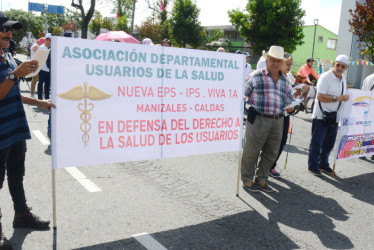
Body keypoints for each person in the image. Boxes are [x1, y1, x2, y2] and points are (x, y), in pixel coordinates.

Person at [0, 11, 55, 250]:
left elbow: (12, 92)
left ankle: (21, 215)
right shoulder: (11, 64)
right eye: (5, 30)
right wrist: (15, 74)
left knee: (16, 175)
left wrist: (39, 103)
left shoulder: (7, 56)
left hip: (15, 129)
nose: (9, 34)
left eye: (10, 30)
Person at [241, 45, 295, 193]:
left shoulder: (285, 80)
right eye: (272, 60)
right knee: (251, 151)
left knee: (271, 152)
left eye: (278, 61)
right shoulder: (256, 75)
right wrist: (246, 102)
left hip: (278, 120)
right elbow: (242, 93)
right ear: (267, 60)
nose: (275, 63)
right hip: (258, 118)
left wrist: (291, 106)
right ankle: (247, 179)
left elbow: (289, 99)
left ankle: (262, 179)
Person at [307, 55, 350, 176]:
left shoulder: (343, 78)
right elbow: (320, 96)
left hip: (335, 116)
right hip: (322, 115)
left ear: (346, 67)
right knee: (317, 142)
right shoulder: (326, 77)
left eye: (343, 66)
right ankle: (313, 166)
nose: (340, 68)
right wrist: (339, 98)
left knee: (329, 144)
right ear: (334, 63)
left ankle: (323, 164)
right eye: (338, 65)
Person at [269, 52, 296, 178]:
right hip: (272, 115)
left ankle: (271, 166)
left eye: (291, 64)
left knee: (282, 141)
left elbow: (289, 95)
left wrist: (296, 95)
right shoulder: (272, 76)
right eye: (287, 64)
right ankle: (263, 167)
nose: (289, 66)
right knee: (269, 142)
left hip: (285, 114)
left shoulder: (289, 77)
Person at [37, 33, 51, 100]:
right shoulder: (42, 47)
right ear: (46, 40)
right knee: (40, 84)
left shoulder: (51, 48)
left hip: (49, 70)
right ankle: (39, 98)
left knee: (47, 85)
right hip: (42, 69)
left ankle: (47, 98)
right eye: (50, 40)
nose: (51, 42)